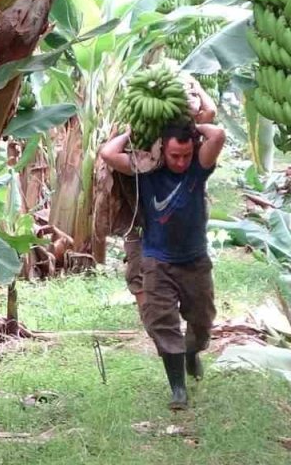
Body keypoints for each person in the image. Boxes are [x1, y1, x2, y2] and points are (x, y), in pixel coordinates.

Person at [99, 116, 225, 411]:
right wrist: (130, 132)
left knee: (202, 320)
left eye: (186, 155)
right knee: (162, 321)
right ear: (161, 151)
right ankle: (178, 389)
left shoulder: (198, 169)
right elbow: (108, 154)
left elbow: (217, 135)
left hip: (195, 260)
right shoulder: (147, 170)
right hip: (158, 260)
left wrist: (194, 125)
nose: (181, 162)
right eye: (174, 156)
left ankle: (192, 352)